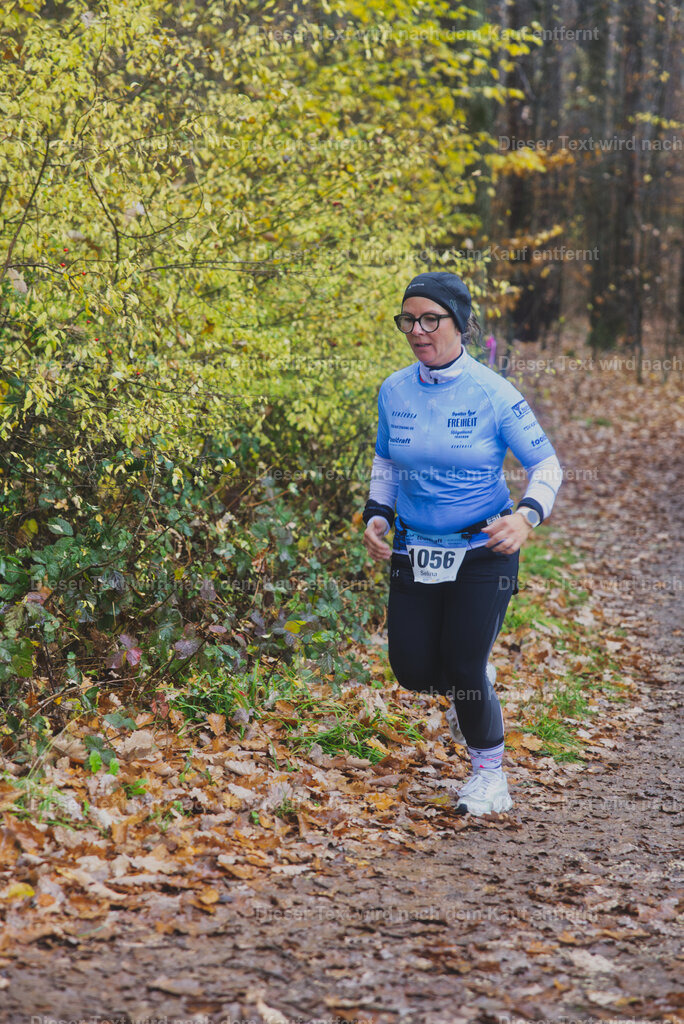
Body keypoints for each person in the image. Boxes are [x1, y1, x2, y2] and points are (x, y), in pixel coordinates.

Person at [362, 272, 562, 816]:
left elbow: (546, 464)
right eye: (409, 320)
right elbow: (385, 460)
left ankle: (488, 774)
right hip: (413, 548)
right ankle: (474, 681)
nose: (418, 331)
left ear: (461, 324)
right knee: (413, 670)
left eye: (431, 319)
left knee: (464, 666)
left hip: (483, 549)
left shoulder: (493, 393)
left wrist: (526, 516)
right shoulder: (394, 389)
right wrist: (378, 512)